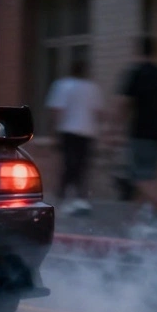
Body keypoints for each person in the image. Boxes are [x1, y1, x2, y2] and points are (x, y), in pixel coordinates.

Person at [117, 37, 157, 219]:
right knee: (150, 176)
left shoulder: (135, 74)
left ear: (139, 51)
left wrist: (115, 128)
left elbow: (124, 104)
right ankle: (137, 221)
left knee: (138, 177)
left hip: (139, 133)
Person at [46, 58, 105, 215]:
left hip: (68, 130)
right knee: (82, 165)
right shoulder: (93, 88)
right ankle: (79, 197)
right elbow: (99, 113)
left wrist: (53, 133)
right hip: (87, 132)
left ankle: (63, 195)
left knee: (68, 164)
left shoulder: (63, 85)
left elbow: (56, 111)